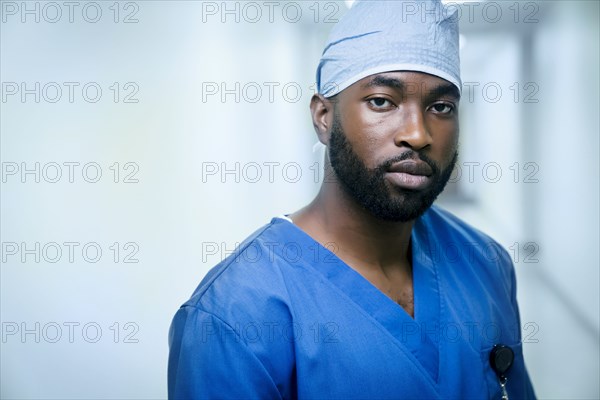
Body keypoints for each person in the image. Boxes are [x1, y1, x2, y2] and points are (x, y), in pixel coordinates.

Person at [168, 0, 536, 398]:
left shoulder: (485, 264)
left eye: (441, 107)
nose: (418, 133)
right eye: (382, 101)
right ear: (324, 117)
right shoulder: (233, 317)